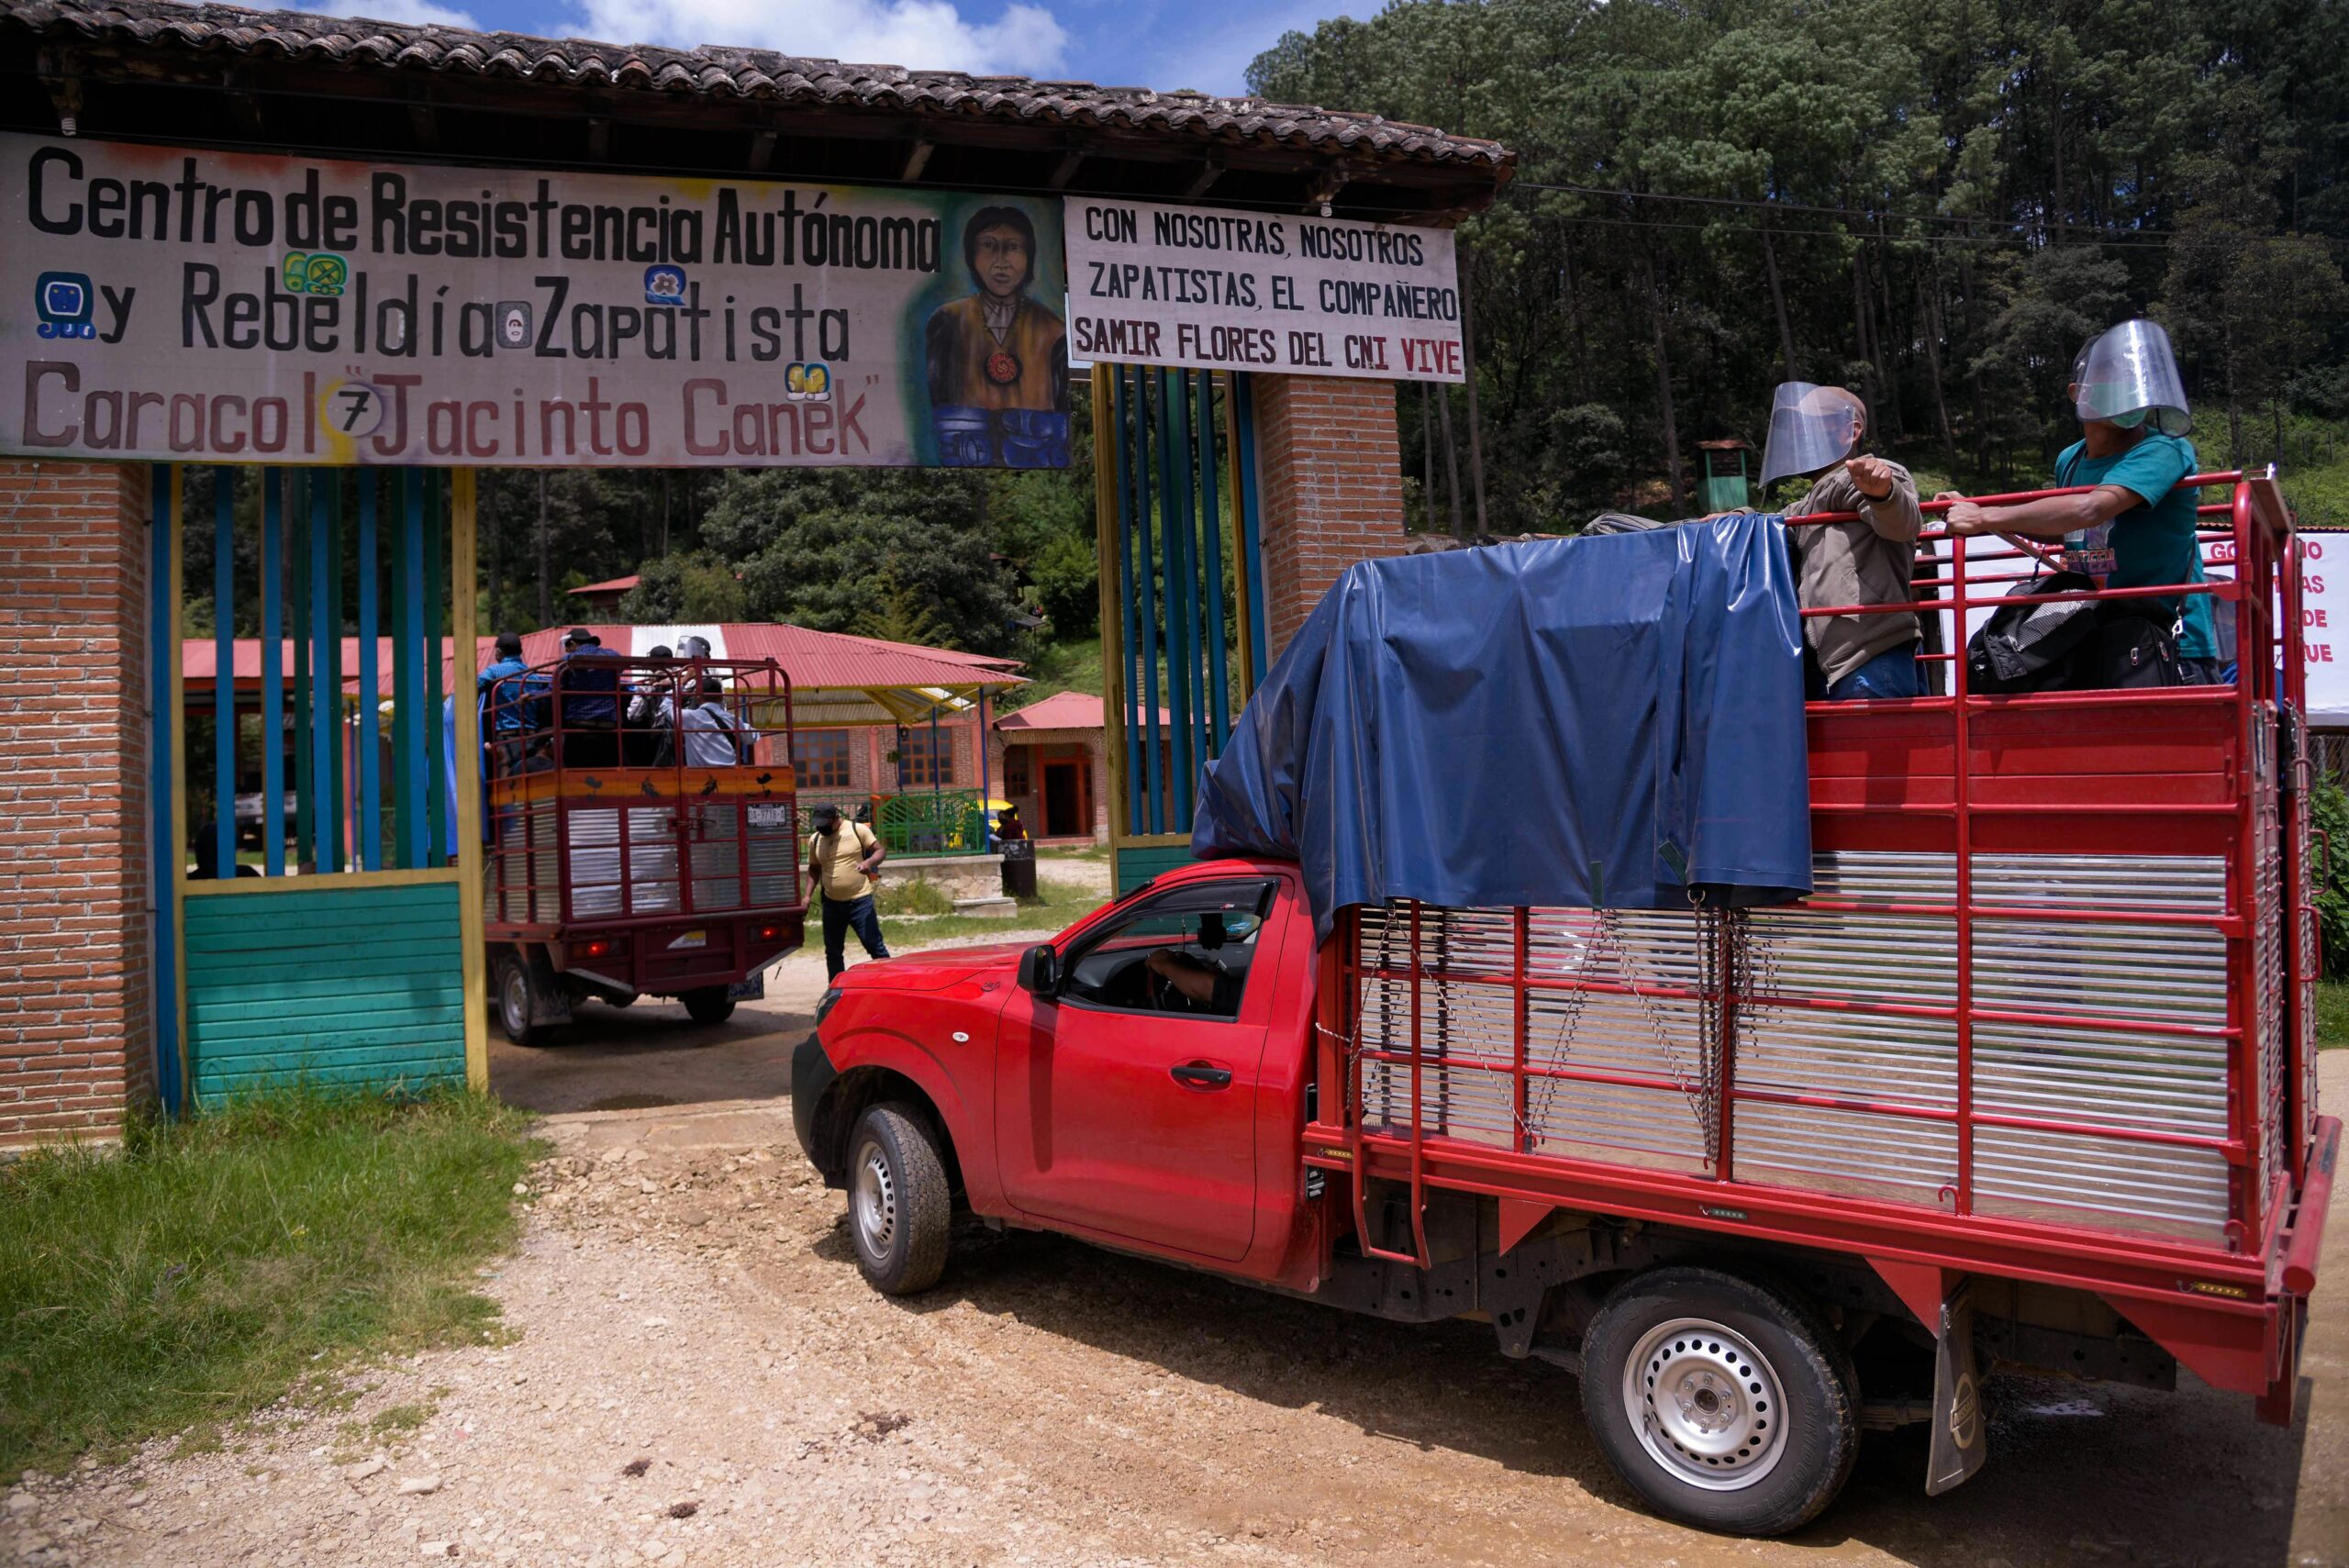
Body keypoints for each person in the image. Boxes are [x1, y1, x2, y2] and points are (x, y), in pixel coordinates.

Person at [1937, 319, 2217, 685]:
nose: (2127, 386)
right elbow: (2071, 533)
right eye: (2113, 376)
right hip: (2096, 635)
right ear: (2078, 392)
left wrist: (1983, 515)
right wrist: (1977, 511)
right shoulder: (2070, 459)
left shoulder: (2164, 448)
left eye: (2133, 377)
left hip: (2166, 644)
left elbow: (2091, 509)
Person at [1754, 383, 1927, 700]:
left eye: (1812, 424)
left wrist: (1884, 494)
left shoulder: (1872, 475)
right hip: (1842, 665)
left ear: (1850, 431)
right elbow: (1770, 521)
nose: (1800, 435)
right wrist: (1728, 517)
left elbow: (1903, 524)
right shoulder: (1809, 501)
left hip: (1870, 658)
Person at [924, 206, 1070, 468]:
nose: (1001, 261)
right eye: (989, 245)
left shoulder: (1053, 330)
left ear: (1029, 257)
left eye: (1014, 247)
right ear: (972, 255)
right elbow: (940, 404)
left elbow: (1059, 415)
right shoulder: (948, 320)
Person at [807, 803, 890, 979]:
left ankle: (891, 982)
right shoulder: (815, 839)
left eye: (824, 823)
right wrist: (806, 896)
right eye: (818, 824)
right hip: (831, 904)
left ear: (835, 818)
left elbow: (880, 851)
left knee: (874, 946)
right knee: (833, 952)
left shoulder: (856, 830)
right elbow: (814, 869)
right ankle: (836, 992)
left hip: (860, 901)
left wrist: (868, 863)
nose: (820, 828)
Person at [554, 628, 622, 767]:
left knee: (575, 770)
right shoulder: (611, 656)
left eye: (568, 647)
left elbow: (556, 688)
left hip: (579, 725)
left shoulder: (567, 661)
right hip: (608, 726)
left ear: (572, 644)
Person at [477, 632, 531, 774]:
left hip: (507, 736)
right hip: (531, 737)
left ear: (499, 651)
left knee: (506, 776)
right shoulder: (532, 673)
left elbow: (473, 686)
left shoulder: (494, 671)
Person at [625, 644, 676, 766]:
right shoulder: (683, 679)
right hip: (683, 735)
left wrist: (645, 690)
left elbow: (633, 716)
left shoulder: (645, 684)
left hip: (661, 735)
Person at [680, 676, 746, 767]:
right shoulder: (734, 720)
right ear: (721, 697)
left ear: (698, 697)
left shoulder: (687, 717)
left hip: (698, 776)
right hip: (731, 774)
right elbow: (752, 737)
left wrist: (683, 680)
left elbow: (666, 705)